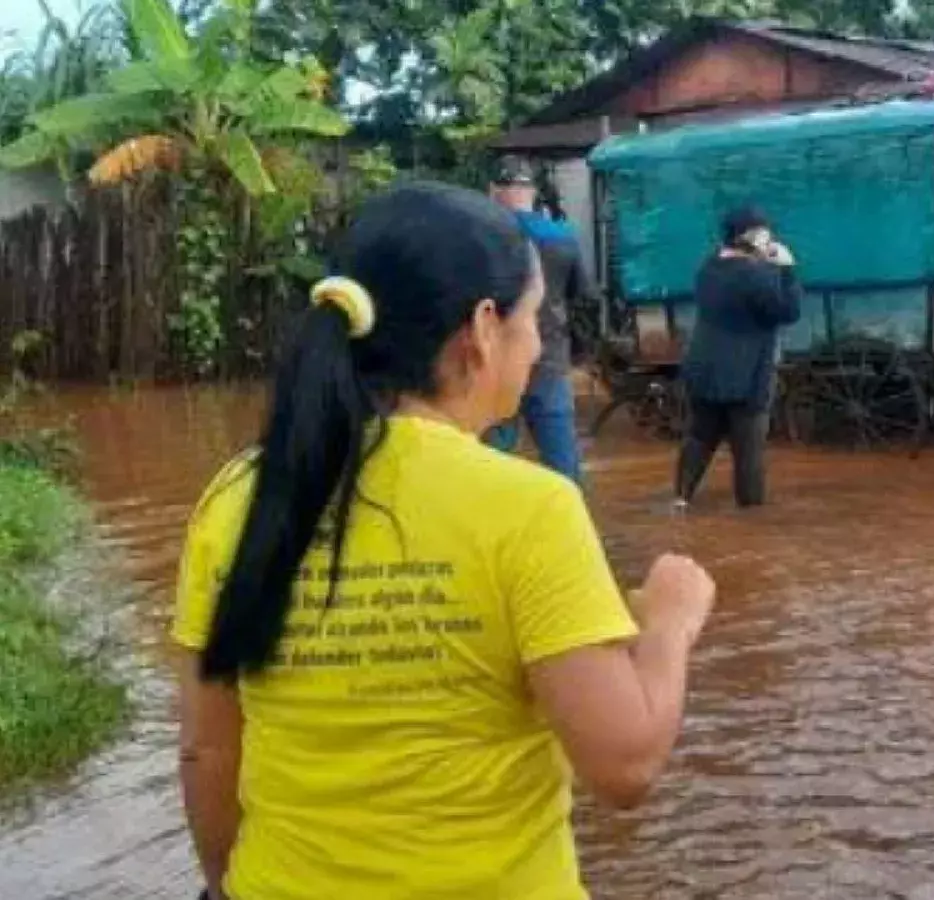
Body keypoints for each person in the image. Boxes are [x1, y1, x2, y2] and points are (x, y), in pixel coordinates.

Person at [172, 182, 716, 900]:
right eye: (532, 318)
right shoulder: (530, 507)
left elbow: (207, 748)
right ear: (483, 328)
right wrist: (671, 622)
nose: (534, 347)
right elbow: (624, 764)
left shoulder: (237, 496)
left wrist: (225, 887)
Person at [675, 206, 802, 509]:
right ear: (749, 236)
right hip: (747, 377)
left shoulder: (708, 267)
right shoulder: (757, 276)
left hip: (703, 371)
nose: (768, 237)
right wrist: (787, 269)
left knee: (699, 438)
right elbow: (788, 311)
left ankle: (680, 499)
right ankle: (751, 523)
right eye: (763, 232)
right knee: (748, 453)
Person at [485, 156, 593, 484]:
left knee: (492, 459)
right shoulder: (562, 236)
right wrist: (579, 351)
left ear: (493, 190)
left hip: (495, 362)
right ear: (531, 191)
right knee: (562, 461)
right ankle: (573, 528)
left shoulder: (482, 236)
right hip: (548, 358)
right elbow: (584, 298)